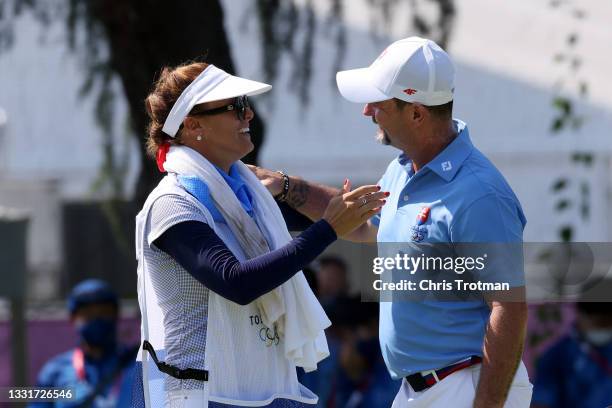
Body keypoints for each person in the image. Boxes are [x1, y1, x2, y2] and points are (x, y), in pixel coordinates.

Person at [250, 37, 533, 407]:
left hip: (468, 386)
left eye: (378, 103)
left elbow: (508, 307)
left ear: (416, 114)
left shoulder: (479, 194)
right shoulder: (403, 168)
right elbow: (364, 225)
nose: (367, 110)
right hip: (425, 388)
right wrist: (288, 187)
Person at [134, 61, 387, 407]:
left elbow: (364, 226)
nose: (249, 115)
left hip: (264, 391)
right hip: (201, 396)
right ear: (193, 126)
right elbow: (236, 282)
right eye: (235, 107)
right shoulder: (173, 202)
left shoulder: (245, 195)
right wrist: (328, 229)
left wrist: (287, 186)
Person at [30, 279, 137, 408]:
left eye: (104, 312)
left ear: (116, 315)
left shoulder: (137, 365)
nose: (97, 319)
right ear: (72, 318)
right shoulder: (55, 372)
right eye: (88, 314)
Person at [532, 302, 612, 408]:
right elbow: (541, 401)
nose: (603, 328)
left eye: (608, 323)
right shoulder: (557, 356)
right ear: (581, 316)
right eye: (599, 323)